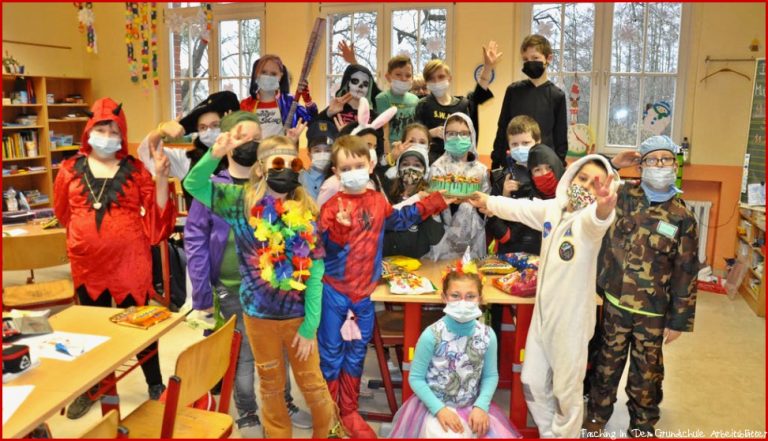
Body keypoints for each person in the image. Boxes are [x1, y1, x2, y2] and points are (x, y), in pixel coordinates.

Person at [184, 119, 344, 439]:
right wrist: (214, 154)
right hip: (257, 318)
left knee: (311, 383)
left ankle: (328, 434)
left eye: (293, 163)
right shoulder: (240, 204)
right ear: (261, 169)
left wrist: (310, 326)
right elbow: (194, 184)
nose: (286, 169)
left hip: (299, 318)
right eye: (278, 162)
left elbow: (315, 274)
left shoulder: (307, 212)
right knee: (270, 384)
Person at [469, 154, 619, 438]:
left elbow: (598, 222)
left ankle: (566, 435)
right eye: (582, 178)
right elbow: (520, 209)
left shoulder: (588, 222)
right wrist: (487, 202)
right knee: (532, 382)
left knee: (566, 391)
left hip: (571, 324)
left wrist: (603, 209)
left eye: (594, 183)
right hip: (543, 317)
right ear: (571, 177)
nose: (585, 186)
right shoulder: (553, 209)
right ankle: (551, 433)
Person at [317, 135, 453, 438]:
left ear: (370, 165)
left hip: (363, 296)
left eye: (359, 165)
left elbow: (400, 219)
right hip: (334, 293)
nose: (353, 171)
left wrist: (435, 200)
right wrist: (339, 227)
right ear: (337, 173)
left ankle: (348, 412)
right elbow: (321, 248)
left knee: (355, 353)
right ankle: (328, 413)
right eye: (346, 167)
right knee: (330, 355)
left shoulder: (378, 201)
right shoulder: (330, 207)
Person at [53, 98, 177, 419]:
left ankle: (155, 385)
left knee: (140, 326)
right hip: (87, 266)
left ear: (122, 134)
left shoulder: (135, 170)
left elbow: (156, 220)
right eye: (101, 128)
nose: (107, 134)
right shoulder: (68, 170)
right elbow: (63, 214)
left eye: (113, 130)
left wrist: (162, 177)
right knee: (92, 332)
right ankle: (95, 388)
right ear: (89, 130)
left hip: (130, 265)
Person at [583, 136, 699, 438]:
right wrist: (610, 164)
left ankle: (643, 424)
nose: (659, 165)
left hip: (653, 312)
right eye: (652, 159)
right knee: (606, 365)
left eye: (666, 159)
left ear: (675, 165)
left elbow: (686, 272)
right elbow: (579, 189)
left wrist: (679, 321)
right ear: (641, 164)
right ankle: (596, 416)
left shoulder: (682, 216)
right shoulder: (622, 196)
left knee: (646, 374)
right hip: (614, 303)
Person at [389, 260, 521, 439]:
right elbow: (416, 378)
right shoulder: (432, 335)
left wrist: (481, 406)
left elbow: (490, 375)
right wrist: (440, 410)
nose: (463, 302)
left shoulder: (487, 335)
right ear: (444, 298)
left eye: (470, 296)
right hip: (436, 406)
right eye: (455, 295)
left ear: (480, 299)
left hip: (472, 406)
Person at [138, 90, 240, 207]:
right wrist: (160, 131)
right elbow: (148, 151)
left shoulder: (245, 157)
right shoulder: (186, 159)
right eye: (202, 127)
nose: (208, 131)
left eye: (215, 125)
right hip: (196, 224)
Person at [414, 42, 500, 164]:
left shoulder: (464, 105)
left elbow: (480, 92)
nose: (437, 81)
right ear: (427, 82)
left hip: (460, 164)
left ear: (449, 78)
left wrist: (487, 67)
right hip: (431, 164)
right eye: (431, 78)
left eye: (441, 76)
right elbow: (413, 136)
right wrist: (430, 133)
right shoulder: (423, 105)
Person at [491, 34, 568, 168]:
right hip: (513, 164)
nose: (530, 62)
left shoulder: (557, 96)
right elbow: (502, 128)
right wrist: (496, 162)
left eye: (535, 58)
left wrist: (558, 165)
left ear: (548, 58)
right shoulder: (513, 91)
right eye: (525, 59)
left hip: (543, 166)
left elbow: (560, 137)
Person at [425, 113, 490, 261]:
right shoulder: (437, 168)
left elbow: (486, 210)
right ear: (445, 136)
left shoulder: (481, 171)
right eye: (452, 133)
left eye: (463, 134)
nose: (458, 138)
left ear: (471, 135)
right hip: (443, 242)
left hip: (474, 242)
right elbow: (432, 209)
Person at [382, 124, 445, 258]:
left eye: (417, 165)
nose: (411, 168)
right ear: (398, 168)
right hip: (386, 261)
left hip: (417, 265)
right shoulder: (387, 190)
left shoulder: (428, 196)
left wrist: (433, 211)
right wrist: (390, 157)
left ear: (425, 170)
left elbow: (435, 238)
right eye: (405, 164)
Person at [239, 54, 315, 141]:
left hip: (283, 152)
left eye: (273, 74)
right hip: (254, 153)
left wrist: (307, 98)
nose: (268, 77)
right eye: (263, 72)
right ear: (256, 74)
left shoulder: (289, 103)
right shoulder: (246, 104)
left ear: (281, 76)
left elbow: (312, 121)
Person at [375, 55, 419, 149]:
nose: (403, 79)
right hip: (391, 149)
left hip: (411, 147)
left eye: (408, 75)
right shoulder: (382, 99)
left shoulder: (415, 99)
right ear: (388, 76)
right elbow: (383, 130)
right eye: (398, 75)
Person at [318, 63, 381, 130]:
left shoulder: (373, 116)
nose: (360, 86)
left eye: (365, 84)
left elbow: (380, 139)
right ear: (347, 83)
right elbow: (315, 128)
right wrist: (328, 113)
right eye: (355, 81)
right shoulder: (336, 110)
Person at [300, 119, 338, 201]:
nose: (323, 154)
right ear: (309, 154)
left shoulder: (340, 178)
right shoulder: (301, 179)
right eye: (317, 151)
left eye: (328, 150)